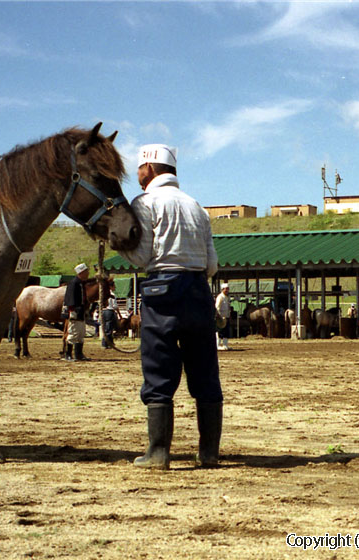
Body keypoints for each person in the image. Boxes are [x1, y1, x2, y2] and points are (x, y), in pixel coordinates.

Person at [119, 143, 222, 470]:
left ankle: (159, 453)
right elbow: (212, 264)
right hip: (198, 290)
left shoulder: (145, 203)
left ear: (148, 169)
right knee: (204, 372)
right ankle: (209, 453)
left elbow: (141, 256)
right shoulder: (196, 206)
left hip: (162, 290)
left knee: (159, 370)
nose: (137, 174)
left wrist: (119, 244)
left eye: (138, 169)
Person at [64, 263, 91, 362]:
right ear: (81, 272)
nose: (88, 273)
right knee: (73, 332)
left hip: (81, 310)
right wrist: (72, 310)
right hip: (75, 310)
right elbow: (70, 298)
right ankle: (68, 354)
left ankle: (79, 354)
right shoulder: (74, 283)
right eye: (86, 271)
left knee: (81, 332)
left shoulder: (81, 283)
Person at [215, 283, 231, 351]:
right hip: (221, 318)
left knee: (226, 332)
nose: (227, 290)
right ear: (222, 289)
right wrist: (218, 316)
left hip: (226, 317)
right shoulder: (220, 297)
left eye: (228, 288)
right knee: (220, 332)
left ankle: (225, 345)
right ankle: (218, 346)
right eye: (226, 289)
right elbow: (217, 307)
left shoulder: (227, 297)